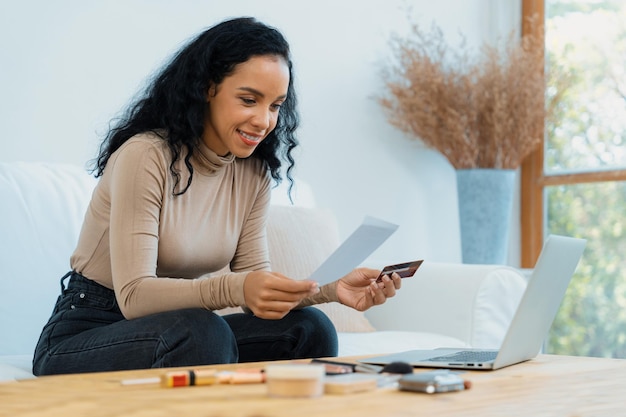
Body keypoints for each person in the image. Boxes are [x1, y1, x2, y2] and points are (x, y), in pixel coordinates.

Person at [32, 16, 402, 376]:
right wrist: (237, 286)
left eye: (274, 105)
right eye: (248, 99)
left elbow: (255, 291)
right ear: (208, 88)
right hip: (90, 328)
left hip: (178, 329)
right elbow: (134, 297)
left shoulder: (252, 172)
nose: (264, 120)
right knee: (203, 331)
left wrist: (330, 291)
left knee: (309, 328)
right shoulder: (145, 155)